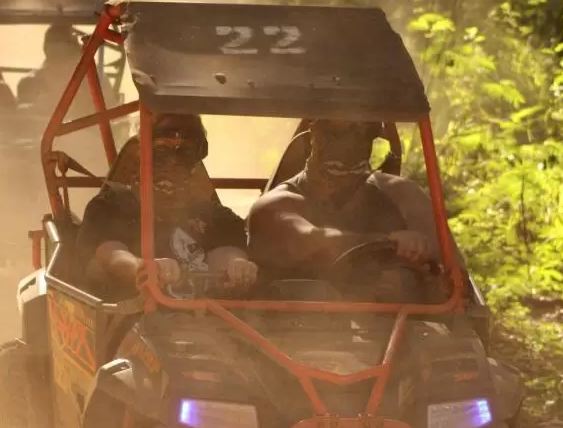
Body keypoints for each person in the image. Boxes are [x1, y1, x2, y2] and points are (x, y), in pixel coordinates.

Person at [75, 113, 259, 301]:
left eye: (184, 152)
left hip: (204, 321)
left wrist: (237, 266)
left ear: (196, 159)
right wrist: (139, 267)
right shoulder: (110, 206)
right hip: (127, 317)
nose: (172, 161)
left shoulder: (216, 216)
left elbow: (227, 252)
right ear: (143, 153)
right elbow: (111, 254)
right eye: (162, 151)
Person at [246, 118, 454, 283]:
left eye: (363, 133)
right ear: (314, 136)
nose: (350, 145)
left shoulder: (398, 196)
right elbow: (311, 242)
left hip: (391, 327)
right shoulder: (275, 206)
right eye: (337, 134)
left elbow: (450, 277)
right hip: (280, 329)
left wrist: (418, 270)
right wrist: (388, 241)